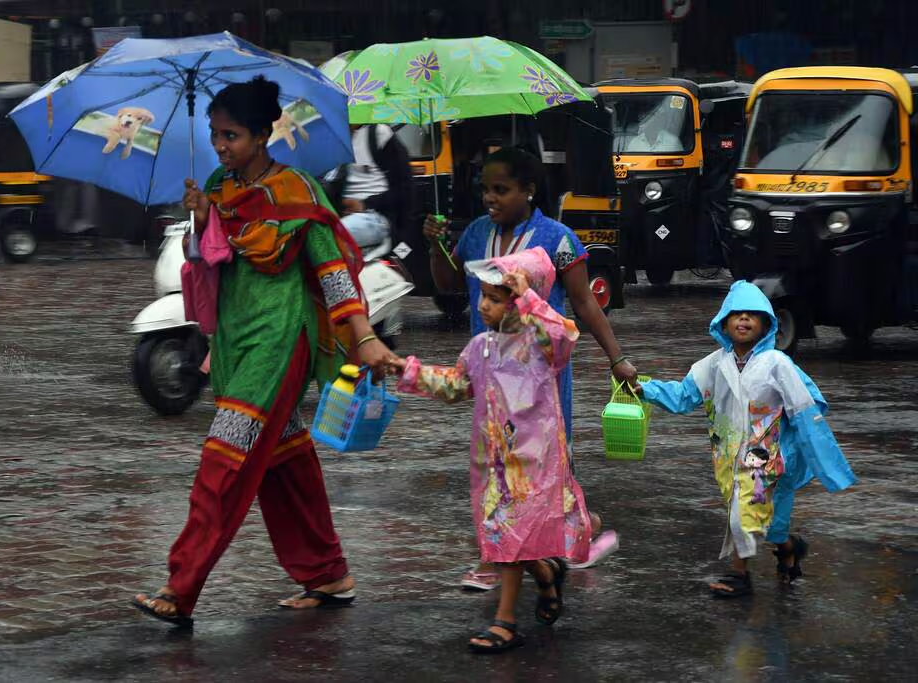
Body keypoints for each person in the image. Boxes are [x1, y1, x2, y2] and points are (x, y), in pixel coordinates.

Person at [132, 76, 399, 627]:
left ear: (261, 134)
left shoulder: (298, 190)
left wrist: (364, 337)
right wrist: (200, 218)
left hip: (280, 339)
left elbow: (333, 271)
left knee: (223, 460)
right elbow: (207, 259)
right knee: (285, 460)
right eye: (214, 134)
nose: (220, 145)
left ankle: (180, 587)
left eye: (230, 135)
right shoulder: (217, 186)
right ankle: (327, 573)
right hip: (233, 338)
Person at [424, 146, 634, 590]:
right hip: (492, 375)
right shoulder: (476, 234)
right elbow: (447, 284)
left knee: (542, 466)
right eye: (486, 189)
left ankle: (531, 548)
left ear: (529, 190)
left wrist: (617, 358)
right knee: (496, 465)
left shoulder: (557, 238)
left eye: (501, 189)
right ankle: (512, 552)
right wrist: (436, 246)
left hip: (542, 378)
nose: (490, 198)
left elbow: (584, 303)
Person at [391, 247, 599, 653]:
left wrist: (528, 296)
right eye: (482, 296)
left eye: (495, 298)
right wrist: (406, 370)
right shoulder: (479, 347)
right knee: (505, 533)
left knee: (510, 533)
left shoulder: (541, 346)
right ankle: (545, 574)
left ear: (519, 302)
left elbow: (564, 336)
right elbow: (456, 385)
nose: (483, 305)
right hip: (494, 462)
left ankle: (505, 621)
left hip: (535, 461)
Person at [636, 281, 856, 598]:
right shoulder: (713, 365)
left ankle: (740, 577)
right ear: (723, 322)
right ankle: (790, 548)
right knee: (771, 527)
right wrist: (645, 389)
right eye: (736, 313)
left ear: (766, 324)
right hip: (728, 457)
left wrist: (821, 458)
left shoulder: (777, 365)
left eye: (752, 314)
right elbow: (683, 395)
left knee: (743, 515)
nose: (743, 319)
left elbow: (804, 411)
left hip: (766, 458)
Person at [326, 123, 414, 250]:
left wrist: (364, 204)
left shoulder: (378, 134)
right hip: (342, 217)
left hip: (376, 217)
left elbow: (404, 188)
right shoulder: (334, 142)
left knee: (328, 238)